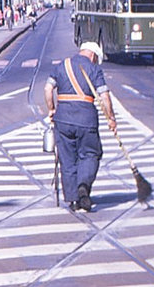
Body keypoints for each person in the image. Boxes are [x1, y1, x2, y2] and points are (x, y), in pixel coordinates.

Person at [44, 40, 115, 212]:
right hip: (86, 119)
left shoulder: (62, 65)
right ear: (93, 55)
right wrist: (111, 118)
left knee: (67, 160)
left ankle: (73, 200)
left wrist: (51, 109)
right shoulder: (94, 69)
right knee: (90, 153)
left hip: (63, 119)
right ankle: (83, 185)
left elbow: (47, 89)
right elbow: (104, 96)